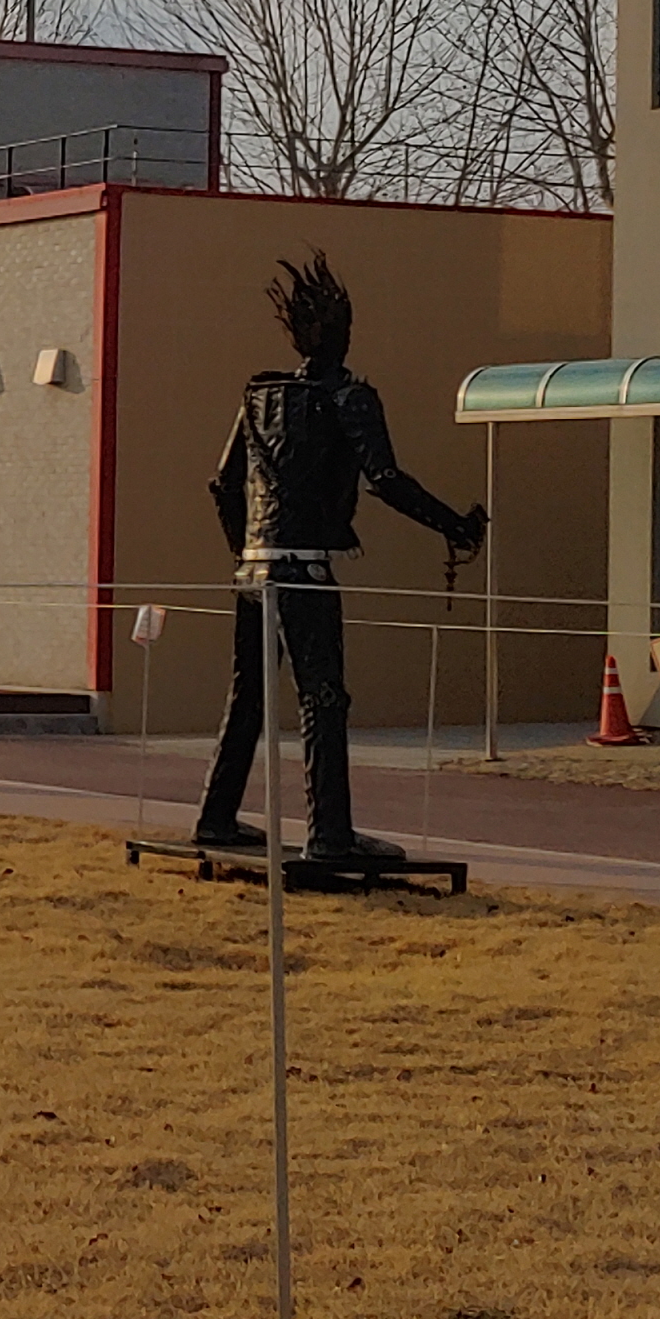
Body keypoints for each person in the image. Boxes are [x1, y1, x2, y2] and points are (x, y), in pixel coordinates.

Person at [188, 252, 488, 864]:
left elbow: (223, 485)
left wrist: (246, 553)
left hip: (254, 571)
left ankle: (216, 817)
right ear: (343, 333)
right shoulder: (351, 398)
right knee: (323, 697)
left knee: (247, 695)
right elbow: (386, 479)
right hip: (306, 570)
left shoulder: (258, 396)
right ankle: (330, 833)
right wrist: (453, 526)